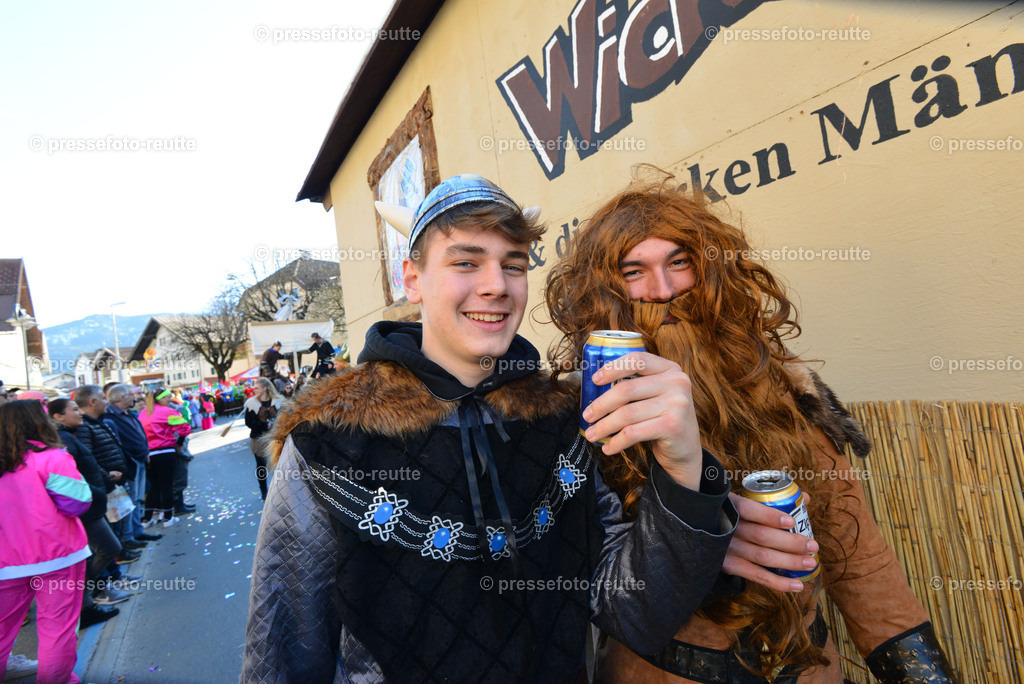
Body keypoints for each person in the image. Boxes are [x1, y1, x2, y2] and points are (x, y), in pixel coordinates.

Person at [242, 174, 737, 682]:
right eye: (466, 262)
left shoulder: (563, 423)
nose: (496, 285)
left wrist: (684, 472)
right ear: (412, 279)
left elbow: (633, 611)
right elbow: (282, 657)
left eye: (513, 265)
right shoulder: (328, 441)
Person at [544, 176, 956, 682]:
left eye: (679, 262)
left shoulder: (786, 390)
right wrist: (701, 549)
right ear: (604, 292)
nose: (666, 291)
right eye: (635, 272)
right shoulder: (580, 417)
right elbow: (584, 587)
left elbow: (861, 563)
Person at [0, 400, 93, 683]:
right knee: (58, 627)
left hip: (6, 563)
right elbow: (78, 503)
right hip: (58, 554)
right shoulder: (51, 457)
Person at [48, 398, 129, 625]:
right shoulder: (62, 439)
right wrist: (93, 492)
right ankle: (85, 594)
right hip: (85, 507)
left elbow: (87, 465)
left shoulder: (69, 435)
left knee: (98, 552)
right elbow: (71, 475)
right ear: (58, 416)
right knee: (108, 548)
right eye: (74, 410)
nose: (79, 413)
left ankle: (86, 599)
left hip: (89, 503)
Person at [73, 385, 141, 566]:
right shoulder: (84, 427)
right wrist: (106, 475)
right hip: (105, 482)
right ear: (93, 402)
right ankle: (112, 568)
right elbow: (88, 457)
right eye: (103, 398)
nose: (106, 402)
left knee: (119, 519)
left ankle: (121, 552)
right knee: (111, 526)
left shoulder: (98, 421)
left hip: (115, 479)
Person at [105, 384, 164, 546]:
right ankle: (128, 536)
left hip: (140, 459)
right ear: (120, 398)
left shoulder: (129, 414)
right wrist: (129, 457)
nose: (136, 397)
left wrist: (145, 452)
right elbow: (117, 441)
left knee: (137, 498)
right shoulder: (110, 416)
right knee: (129, 500)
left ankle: (137, 531)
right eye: (133, 394)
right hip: (129, 462)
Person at [138, 389, 192, 528]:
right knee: (167, 486)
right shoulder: (166, 412)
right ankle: (168, 518)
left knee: (154, 487)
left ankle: (147, 519)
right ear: (160, 399)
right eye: (168, 397)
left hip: (149, 454)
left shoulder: (143, 413)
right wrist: (179, 444)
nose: (170, 399)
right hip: (166, 452)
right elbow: (185, 427)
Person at [243, 378, 284, 501]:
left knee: (280, 465)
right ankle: (264, 492)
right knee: (261, 466)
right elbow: (248, 422)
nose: (254, 390)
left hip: (276, 438)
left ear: (265, 388)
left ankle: (281, 491)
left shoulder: (278, 401)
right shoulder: (251, 403)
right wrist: (264, 425)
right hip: (259, 438)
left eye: (256, 388)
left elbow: (284, 417)